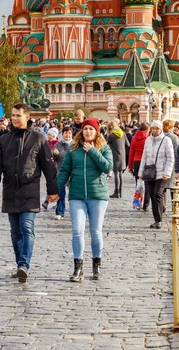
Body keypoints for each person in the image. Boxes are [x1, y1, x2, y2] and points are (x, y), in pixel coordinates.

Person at [0, 103, 58, 283]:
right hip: (10, 190)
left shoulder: (38, 137)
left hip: (30, 190)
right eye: (12, 115)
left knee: (27, 228)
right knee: (15, 232)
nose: (14, 118)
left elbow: (48, 166)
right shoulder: (4, 139)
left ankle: (23, 265)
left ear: (27, 117)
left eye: (17, 115)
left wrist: (53, 190)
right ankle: (20, 262)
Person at [57, 118, 113, 282]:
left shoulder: (103, 148)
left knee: (95, 232)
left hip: (98, 195)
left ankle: (96, 264)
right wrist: (54, 190)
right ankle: (78, 268)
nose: (88, 132)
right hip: (77, 194)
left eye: (91, 129)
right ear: (81, 131)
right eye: (85, 129)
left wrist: (93, 151)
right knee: (77, 231)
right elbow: (64, 170)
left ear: (96, 132)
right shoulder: (73, 149)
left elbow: (107, 167)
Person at [138, 120, 174, 229]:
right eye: (153, 128)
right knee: (153, 196)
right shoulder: (148, 140)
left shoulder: (166, 140)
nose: (154, 130)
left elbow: (170, 158)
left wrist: (167, 173)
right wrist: (141, 173)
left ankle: (159, 220)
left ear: (161, 129)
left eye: (157, 128)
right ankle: (156, 219)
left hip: (161, 173)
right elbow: (144, 157)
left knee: (158, 194)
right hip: (150, 172)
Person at [128, 122, 150, 211]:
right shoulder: (148, 139)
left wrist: (130, 166)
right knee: (147, 184)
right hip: (146, 162)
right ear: (146, 130)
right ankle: (146, 204)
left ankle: (138, 203)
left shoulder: (134, 138)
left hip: (136, 162)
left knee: (138, 183)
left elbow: (131, 153)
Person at [52, 126, 73, 220]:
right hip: (60, 171)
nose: (67, 135)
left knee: (73, 193)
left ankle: (76, 212)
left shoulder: (75, 144)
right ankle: (60, 212)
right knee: (60, 193)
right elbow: (53, 158)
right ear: (62, 134)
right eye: (65, 133)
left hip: (72, 172)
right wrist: (55, 155)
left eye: (69, 133)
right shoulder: (58, 144)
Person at [107, 121, 127, 198]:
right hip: (122, 155)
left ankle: (116, 192)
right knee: (120, 174)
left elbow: (106, 144)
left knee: (116, 173)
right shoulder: (123, 133)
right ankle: (120, 191)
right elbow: (127, 144)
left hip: (114, 155)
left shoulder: (111, 135)